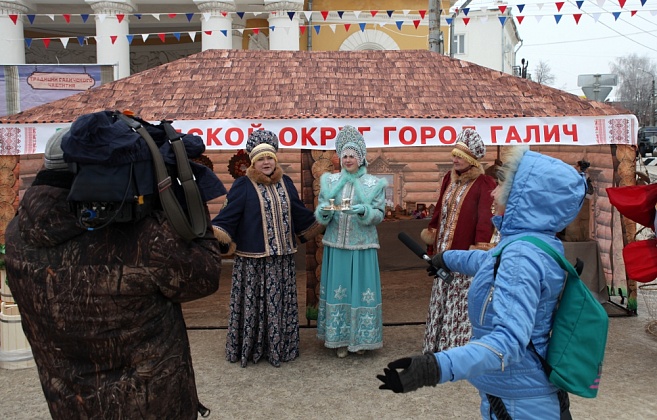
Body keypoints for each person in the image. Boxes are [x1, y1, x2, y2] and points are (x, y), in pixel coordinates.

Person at [4, 120, 225, 419]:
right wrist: (185, 200)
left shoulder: (17, 231)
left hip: (69, 404)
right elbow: (204, 276)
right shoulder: (142, 236)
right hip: (148, 405)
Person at [377, 146, 587, 419]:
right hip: (512, 391)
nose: (492, 193)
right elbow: (490, 261)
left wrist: (435, 367)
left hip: (520, 401)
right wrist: (446, 258)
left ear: (523, 198)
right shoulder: (532, 242)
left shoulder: (522, 256)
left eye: (501, 186)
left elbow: (508, 342)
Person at [212, 130, 322, 368]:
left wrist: (323, 219)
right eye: (260, 158)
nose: (266, 162)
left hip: (282, 259)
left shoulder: (286, 182)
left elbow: (298, 211)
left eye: (269, 158)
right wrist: (217, 232)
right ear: (253, 162)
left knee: (279, 304)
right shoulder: (243, 185)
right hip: (254, 261)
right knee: (255, 305)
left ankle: (280, 347)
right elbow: (228, 214)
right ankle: (253, 348)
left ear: (275, 159)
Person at [420, 128, 496, 353]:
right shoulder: (448, 179)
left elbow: (485, 220)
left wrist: (478, 250)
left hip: (464, 255)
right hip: (443, 250)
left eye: (460, 156)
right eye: (454, 155)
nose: (454, 159)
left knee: (459, 299)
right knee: (441, 293)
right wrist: (432, 241)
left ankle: (458, 349)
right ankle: (437, 346)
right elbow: (439, 211)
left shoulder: (484, 183)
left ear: (472, 160)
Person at [315, 125, 387, 358]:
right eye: (344, 155)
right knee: (340, 291)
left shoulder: (374, 184)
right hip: (336, 246)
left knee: (360, 291)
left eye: (352, 156)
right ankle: (340, 339)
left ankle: (361, 339)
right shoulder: (330, 182)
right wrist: (324, 212)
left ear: (361, 158)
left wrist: (365, 211)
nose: (347, 160)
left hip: (362, 246)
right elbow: (323, 212)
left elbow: (380, 214)